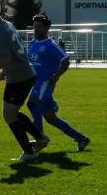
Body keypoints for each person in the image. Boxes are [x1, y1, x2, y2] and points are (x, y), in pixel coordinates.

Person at [0, 0, 49, 162]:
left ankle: (29, 152)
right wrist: (4, 71)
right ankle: (40, 138)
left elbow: (5, 58)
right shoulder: (7, 25)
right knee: (12, 113)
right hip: (24, 73)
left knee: (8, 115)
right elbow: (14, 54)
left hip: (19, 77)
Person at [27, 14, 90, 152]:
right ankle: (81, 138)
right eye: (34, 27)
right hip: (36, 82)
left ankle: (39, 139)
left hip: (45, 82)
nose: (35, 30)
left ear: (46, 28)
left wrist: (57, 75)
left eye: (38, 27)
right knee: (51, 119)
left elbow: (65, 60)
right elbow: (29, 61)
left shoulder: (50, 45)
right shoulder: (33, 43)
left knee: (32, 103)